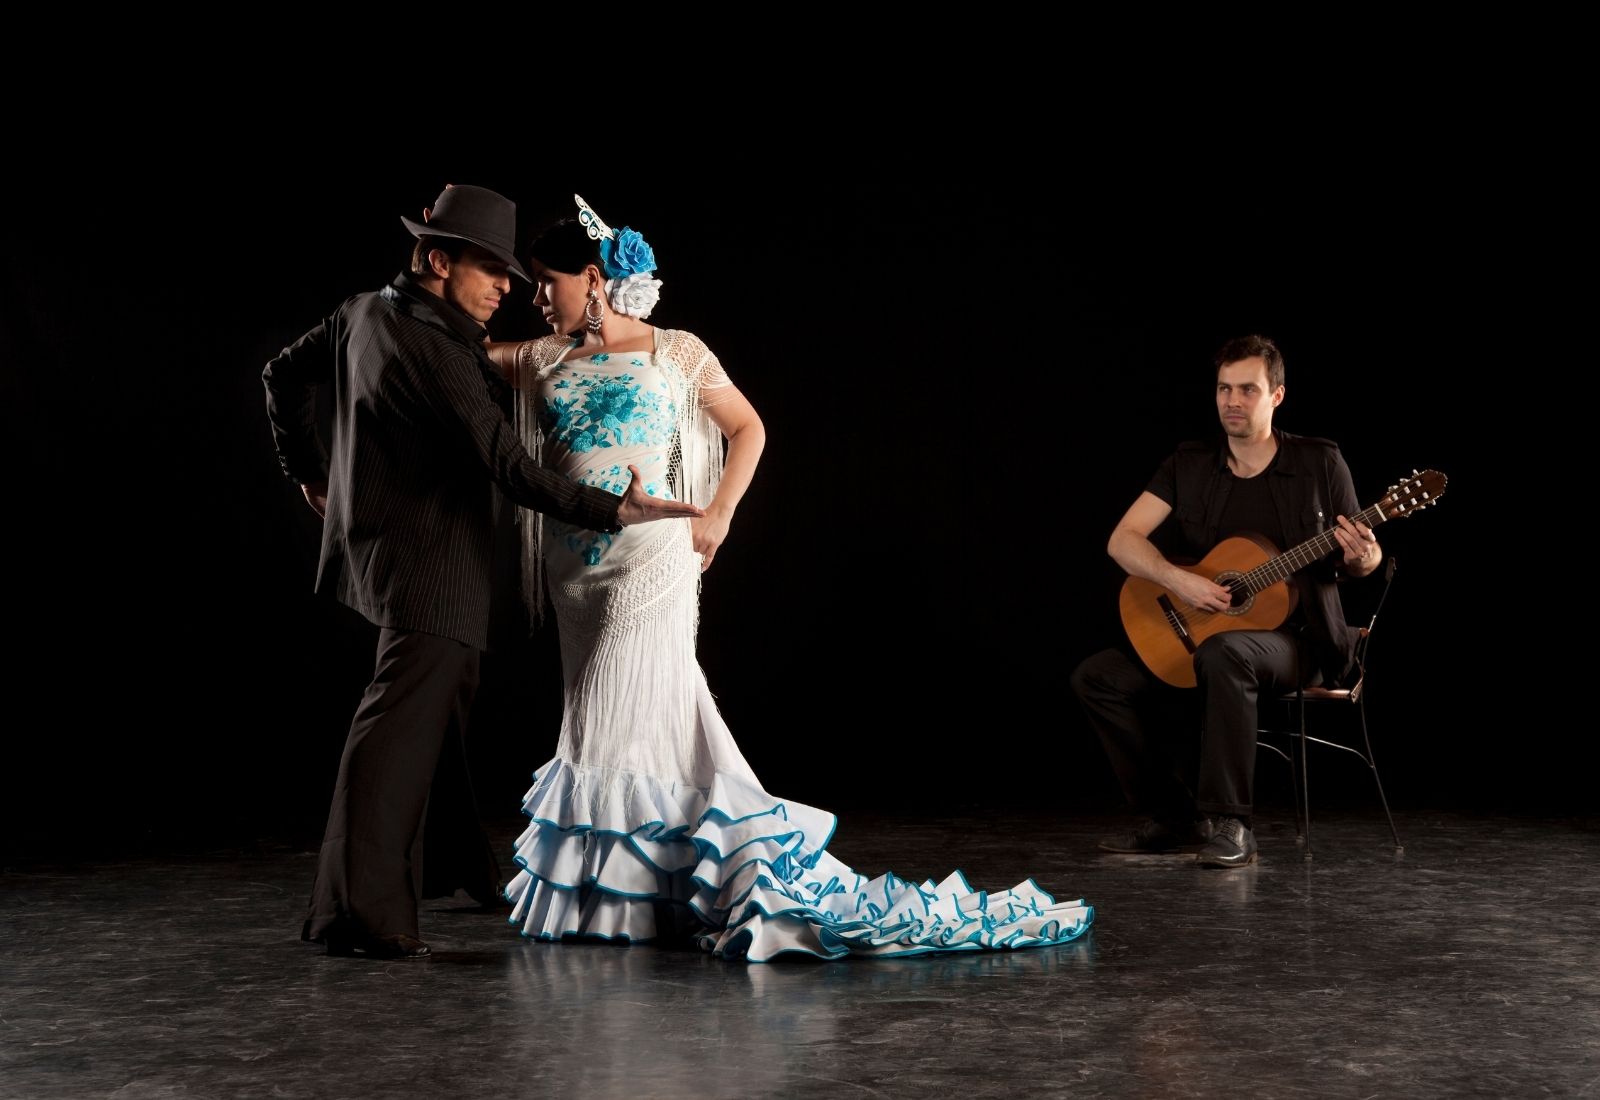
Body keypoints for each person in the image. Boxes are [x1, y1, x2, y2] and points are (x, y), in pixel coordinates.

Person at [482, 195, 1093, 959]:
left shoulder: (676, 350)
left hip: (654, 560)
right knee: (640, 722)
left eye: (548, 281)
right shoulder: (543, 359)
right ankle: (661, 887)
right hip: (574, 571)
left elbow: (749, 427)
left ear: (595, 278)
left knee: (620, 712)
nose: (538, 297)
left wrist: (720, 515)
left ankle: (623, 901)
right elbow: (451, 349)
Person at [262, 184, 704, 961]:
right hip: (432, 567)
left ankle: (454, 866)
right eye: (489, 270)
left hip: (385, 552)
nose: (507, 288)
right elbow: (509, 466)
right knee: (395, 729)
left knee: (440, 704)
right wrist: (615, 511)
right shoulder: (437, 348)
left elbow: (281, 375)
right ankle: (357, 914)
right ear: (436, 260)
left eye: (513, 273)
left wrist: (308, 470)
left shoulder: (364, 310)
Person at [1069, 334, 1382, 869]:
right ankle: (1174, 818)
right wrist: (1180, 581)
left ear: (1277, 396)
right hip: (1202, 629)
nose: (1232, 401)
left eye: (1247, 390)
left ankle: (1231, 825)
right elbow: (1122, 541)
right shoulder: (1188, 464)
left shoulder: (1320, 462)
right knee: (1098, 676)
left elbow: (1363, 563)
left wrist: (1363, 556)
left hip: (1296, 640)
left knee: (1226, 653)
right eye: (1223, 389)